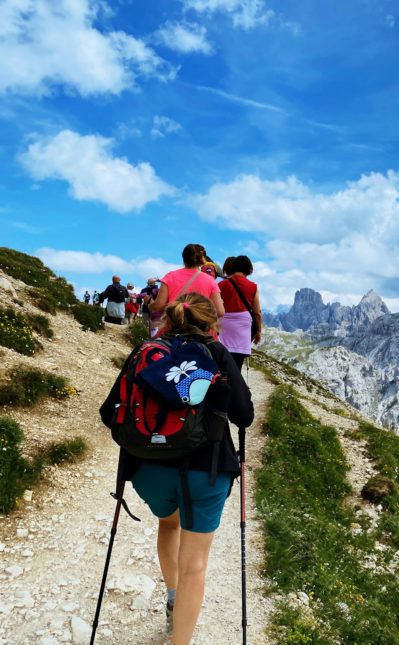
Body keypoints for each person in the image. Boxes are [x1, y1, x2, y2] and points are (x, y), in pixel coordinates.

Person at [99, 293, 254, 644]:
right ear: (211, 325)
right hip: (206, 472)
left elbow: (109, 413)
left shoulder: (145, 351)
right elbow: (244, 415)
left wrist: (152, 439)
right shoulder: (216, 353)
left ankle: (172, 596)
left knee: (168, 524)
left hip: (147, 472)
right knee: (195, 565)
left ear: (169, 319)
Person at [150, 244, 225, 321]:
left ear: (183, 258)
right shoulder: (210, 280)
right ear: (202, 259)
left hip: (175, 328)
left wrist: (149, 302)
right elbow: (220, 312)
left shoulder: (170, 276)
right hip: (202, 330)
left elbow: (158, 306)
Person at [218, 255, 262, 371]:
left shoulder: (221, 285)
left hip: (223, 326)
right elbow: (257, 312)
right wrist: (258, 331)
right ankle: (235, 384)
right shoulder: (253, 287)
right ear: (249, 270)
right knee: (237, 364)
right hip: (242, 328)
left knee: (221, 361)